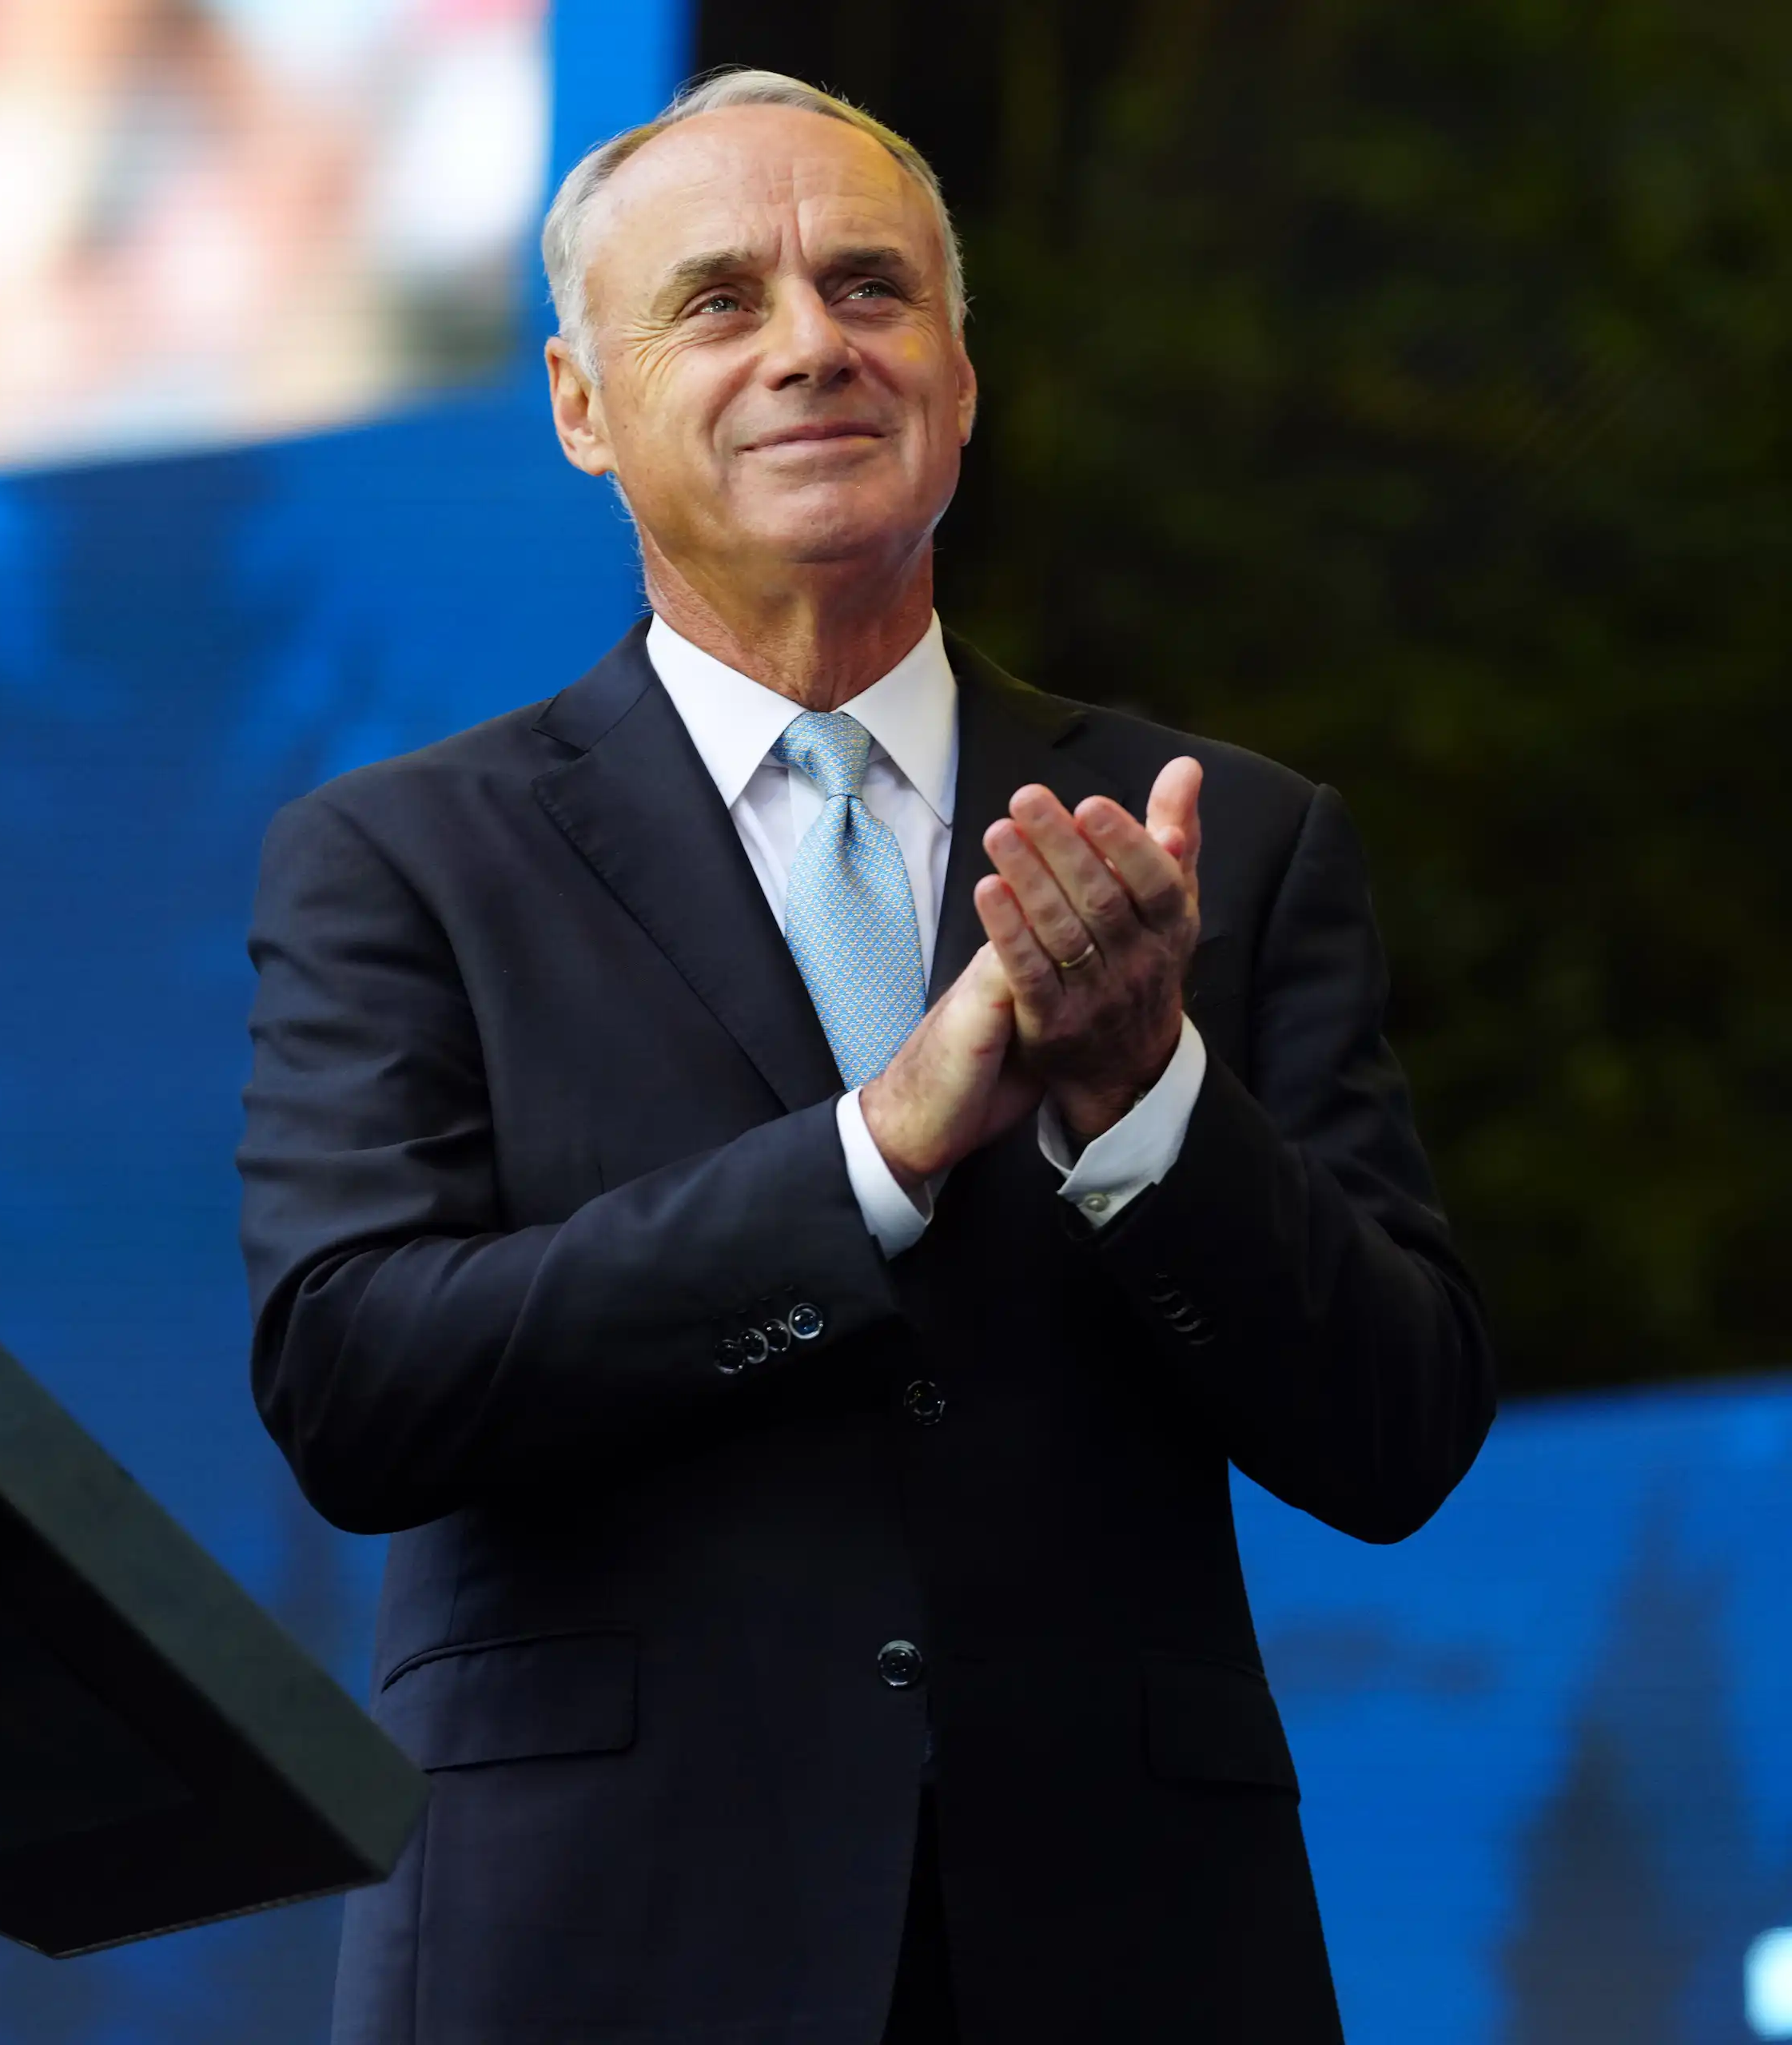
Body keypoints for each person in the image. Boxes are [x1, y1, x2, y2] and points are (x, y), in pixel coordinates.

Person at [236, 68, 1495, 2045]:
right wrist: (870, 1157)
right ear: (578, 405)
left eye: (871, 288)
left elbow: (1395, 1428)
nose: (812, 345)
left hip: (1125, 1953)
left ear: (961, 380)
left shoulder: (1215, 838)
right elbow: (355, 1379)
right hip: (595, 1949)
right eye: (719, 300)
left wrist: (1146, 1103)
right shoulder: (404, 857)